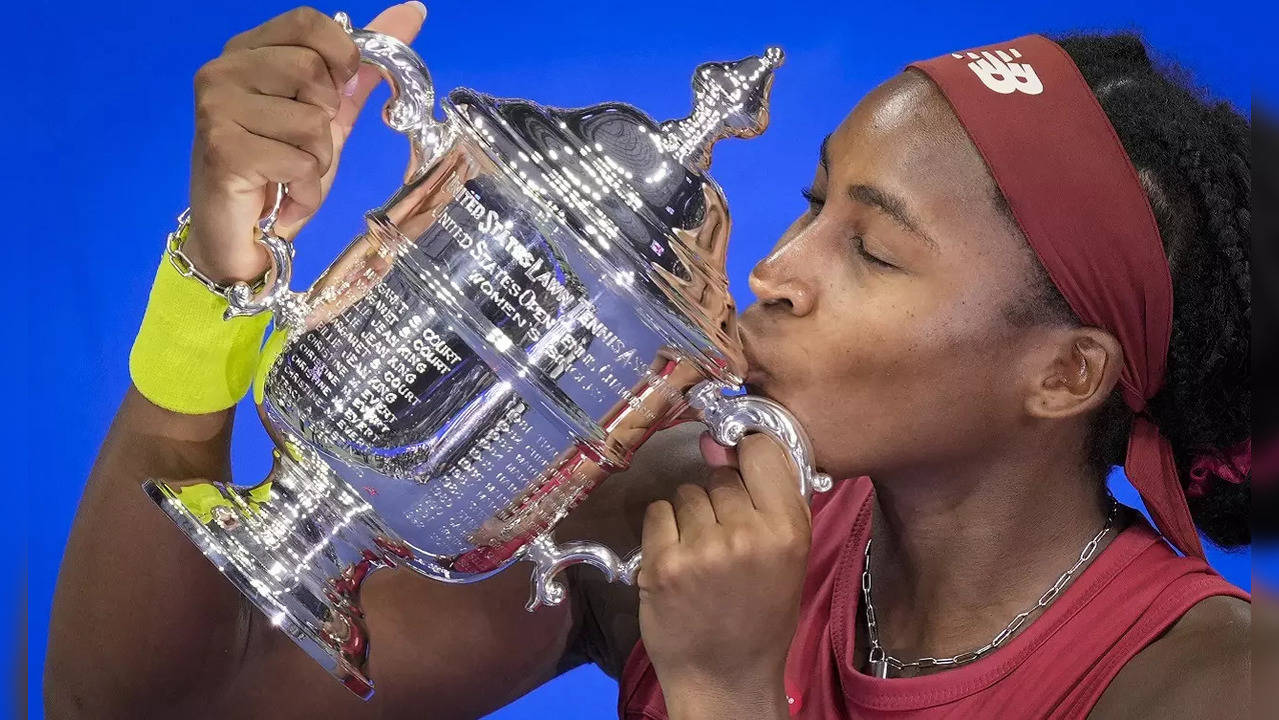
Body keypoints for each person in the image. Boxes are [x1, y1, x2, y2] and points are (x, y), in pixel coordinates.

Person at [44, 3, 1250, 719]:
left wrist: (725, 692)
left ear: (1064, 374)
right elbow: (151, 711)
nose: (774, 266)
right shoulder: (669, 510)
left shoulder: (1216, 683)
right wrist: (217, 291)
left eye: (875, 251)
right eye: (813, 202)